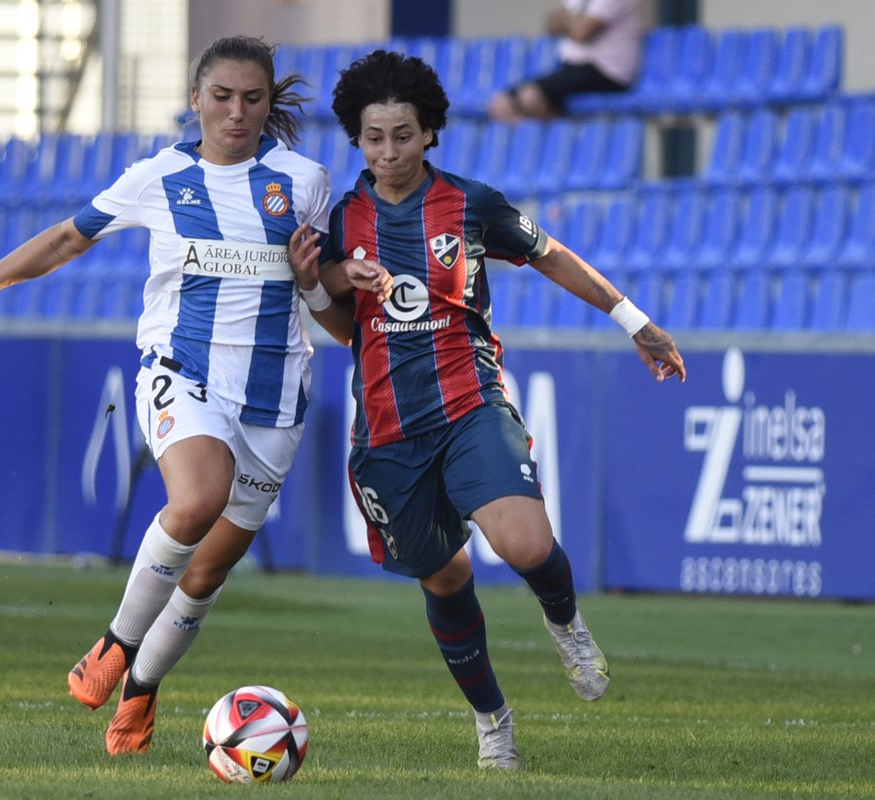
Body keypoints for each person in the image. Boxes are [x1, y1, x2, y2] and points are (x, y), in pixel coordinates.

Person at [0, 35, 390, 756]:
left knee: (206, 572)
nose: (236, 112)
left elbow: (321, 283)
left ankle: (140, 688)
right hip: (182, 370)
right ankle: (113, 646)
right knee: (196, 498)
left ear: (268, 104)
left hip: (275, 399)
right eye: (221, 97)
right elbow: (64, 240)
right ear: (194, 100)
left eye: (251, 98)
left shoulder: (303, 181)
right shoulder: (159, 176)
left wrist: (341, 276)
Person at [291, 50, 685, 770]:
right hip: (386, 431)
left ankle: (566, 624)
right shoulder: (342, 221)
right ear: (356, 138)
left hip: (471, 402)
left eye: (403, 135)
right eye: (374, 137)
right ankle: (492, 719)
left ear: (430, 131)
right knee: (446, 578)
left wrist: (635, 321)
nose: (389, 152)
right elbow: (346, 331)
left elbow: (552, 254)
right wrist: (327, 281)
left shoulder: (471, 204)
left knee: (527, 545)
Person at [488, 0, 645, 121]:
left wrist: (568, 23)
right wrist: (573, 22)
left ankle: (561, 140)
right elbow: (551, 26)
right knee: (501, 104)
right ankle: (539, 145)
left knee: (530, 97)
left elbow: (582, 32)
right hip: (573, 69)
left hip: (607, 73)